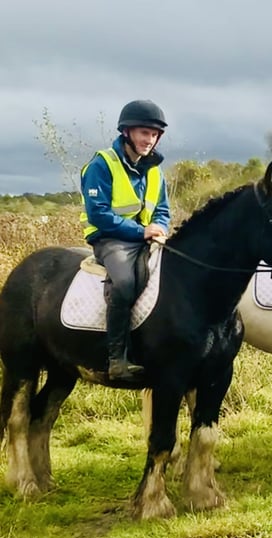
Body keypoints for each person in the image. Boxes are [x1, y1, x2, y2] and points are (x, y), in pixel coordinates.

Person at [80, 100, 170, 383]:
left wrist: (159, 228)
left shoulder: (155, 170)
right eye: (144, 132)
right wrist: (140, 232)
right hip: (110, 239)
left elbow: (163, 210)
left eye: (154, 134)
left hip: (146, 239)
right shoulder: (102, 164)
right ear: (127, 132)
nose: (150, 139)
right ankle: (116, 358)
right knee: (124, 283)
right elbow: (99, 213)